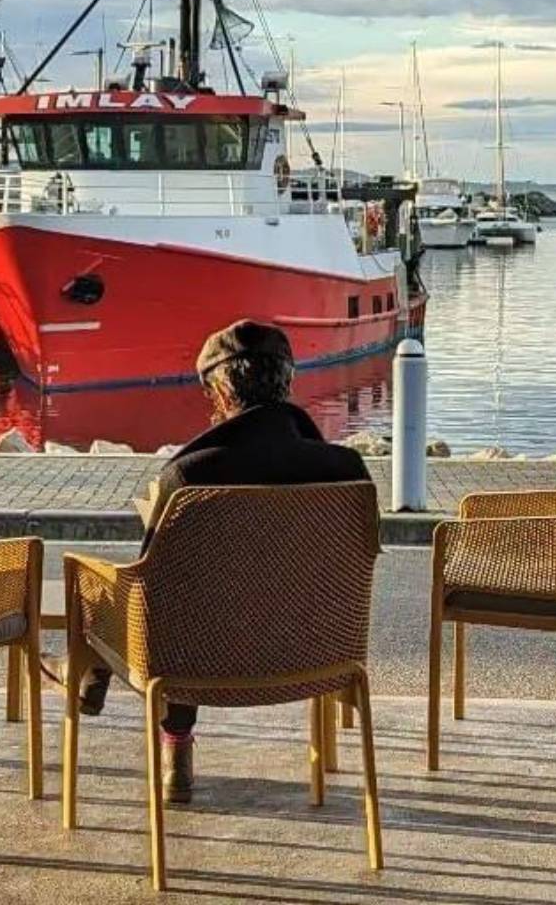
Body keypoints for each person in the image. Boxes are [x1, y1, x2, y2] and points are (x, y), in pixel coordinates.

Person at [43, 319, 374, 804]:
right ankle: (101, 687)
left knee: (133, 595)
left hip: (199, 660)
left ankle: (121, 704)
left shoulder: (191, 475)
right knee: (188, 597)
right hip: (317, 655)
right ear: (288, 382)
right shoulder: (347, 471)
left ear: (219, 391)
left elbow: (151, 593)